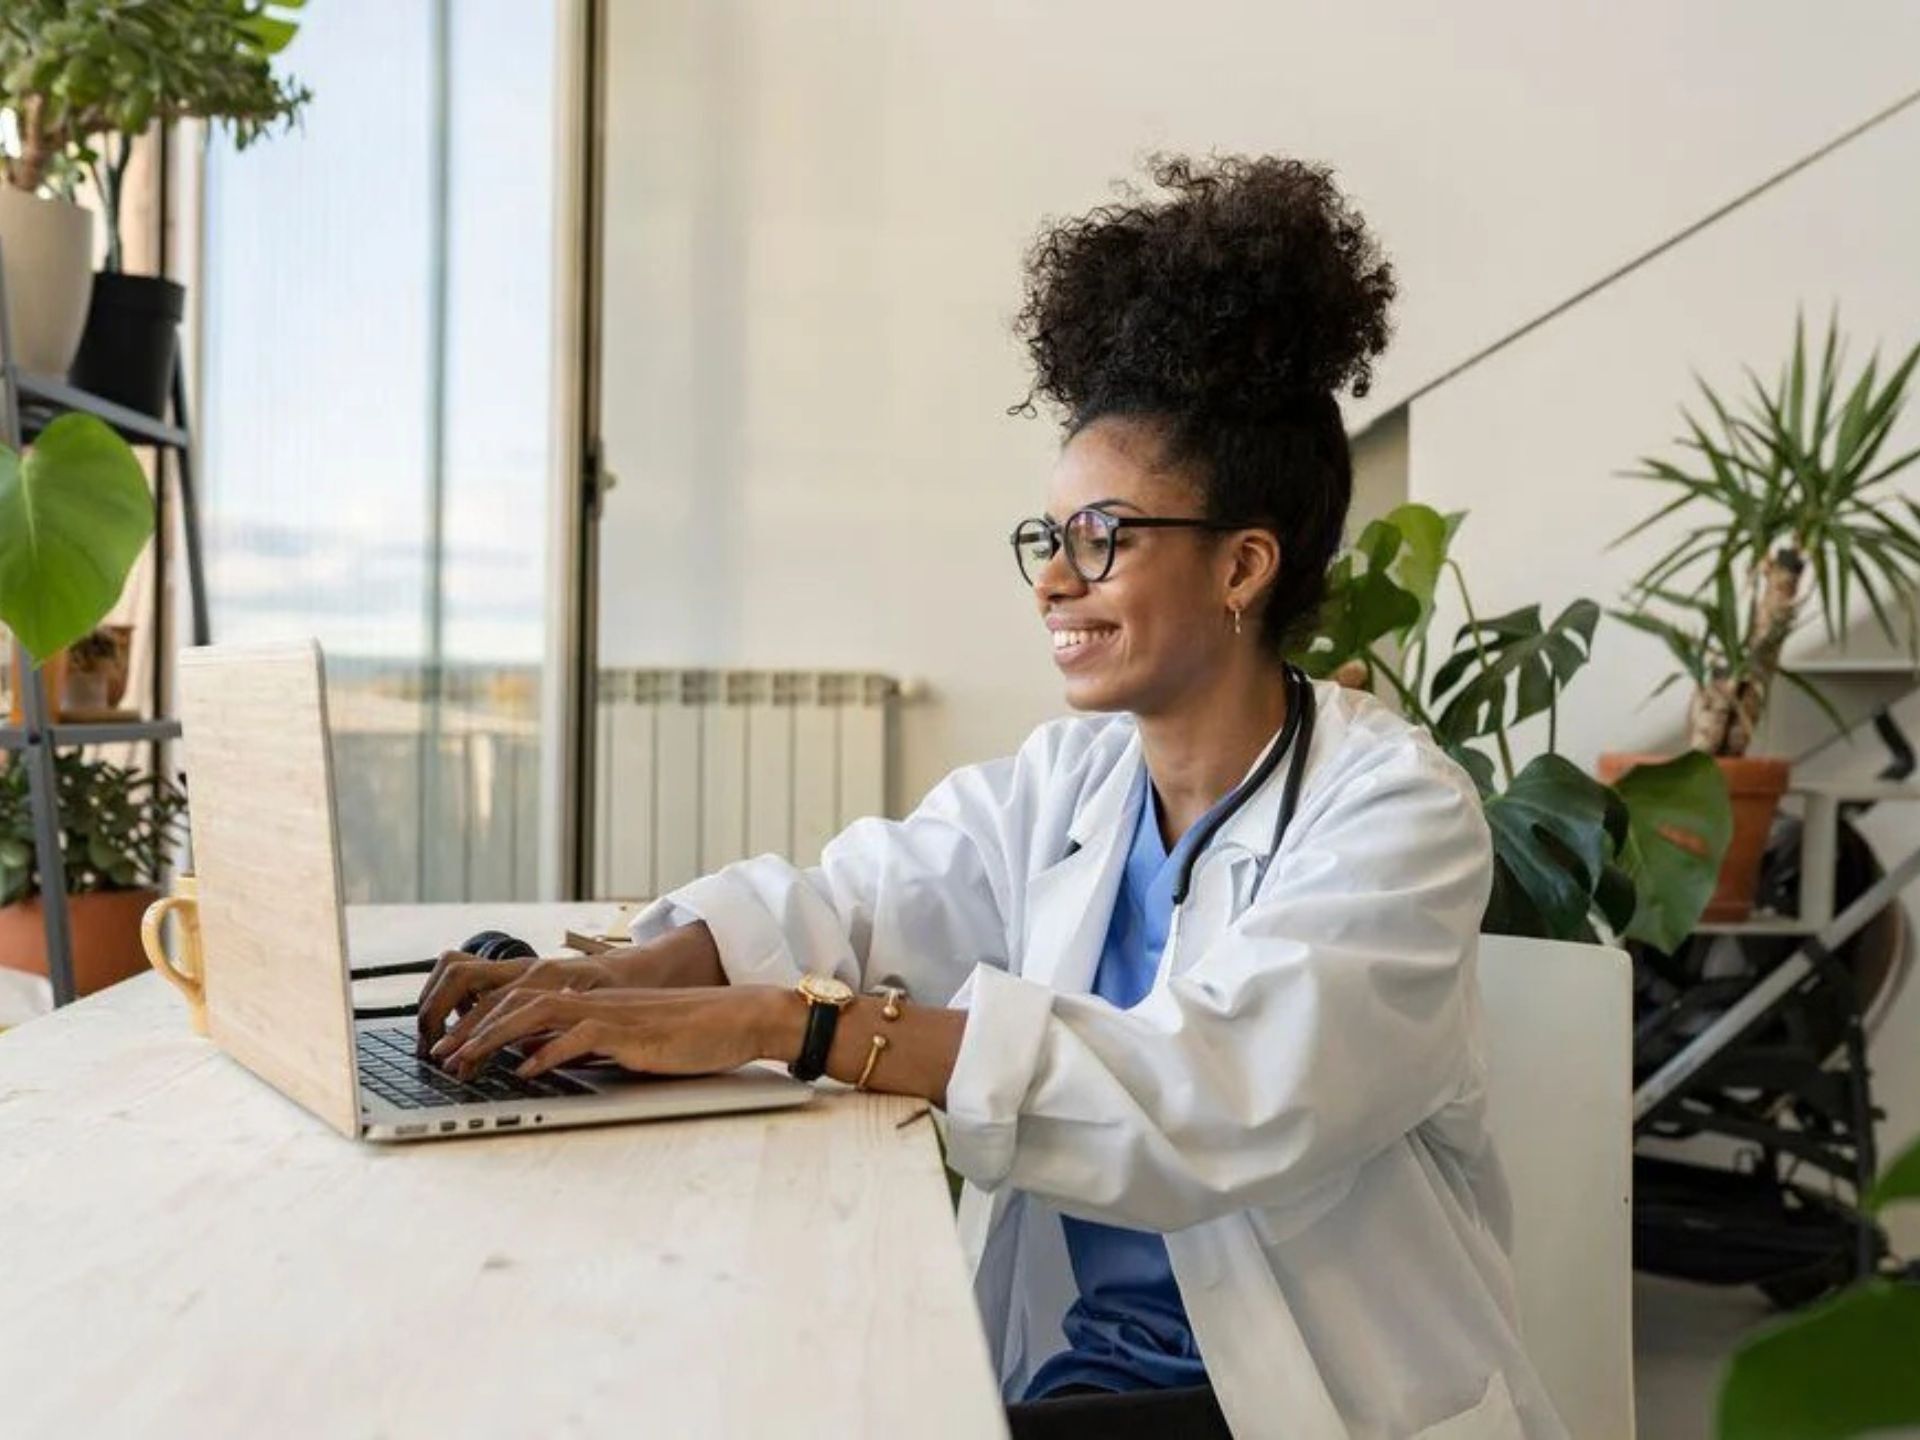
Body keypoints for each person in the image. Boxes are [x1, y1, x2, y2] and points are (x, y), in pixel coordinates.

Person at [417, 154, 1566, 1440]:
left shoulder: (1395, 814)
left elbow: (1208, 1095)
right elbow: (861, 900)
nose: (1052, 585)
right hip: (1089, 1377)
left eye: (1102, 539)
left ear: (1244, 566)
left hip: (1295, 1404)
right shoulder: (1071, 780)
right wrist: (632, 980)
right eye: (1048, 539)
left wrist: (783, 1025)